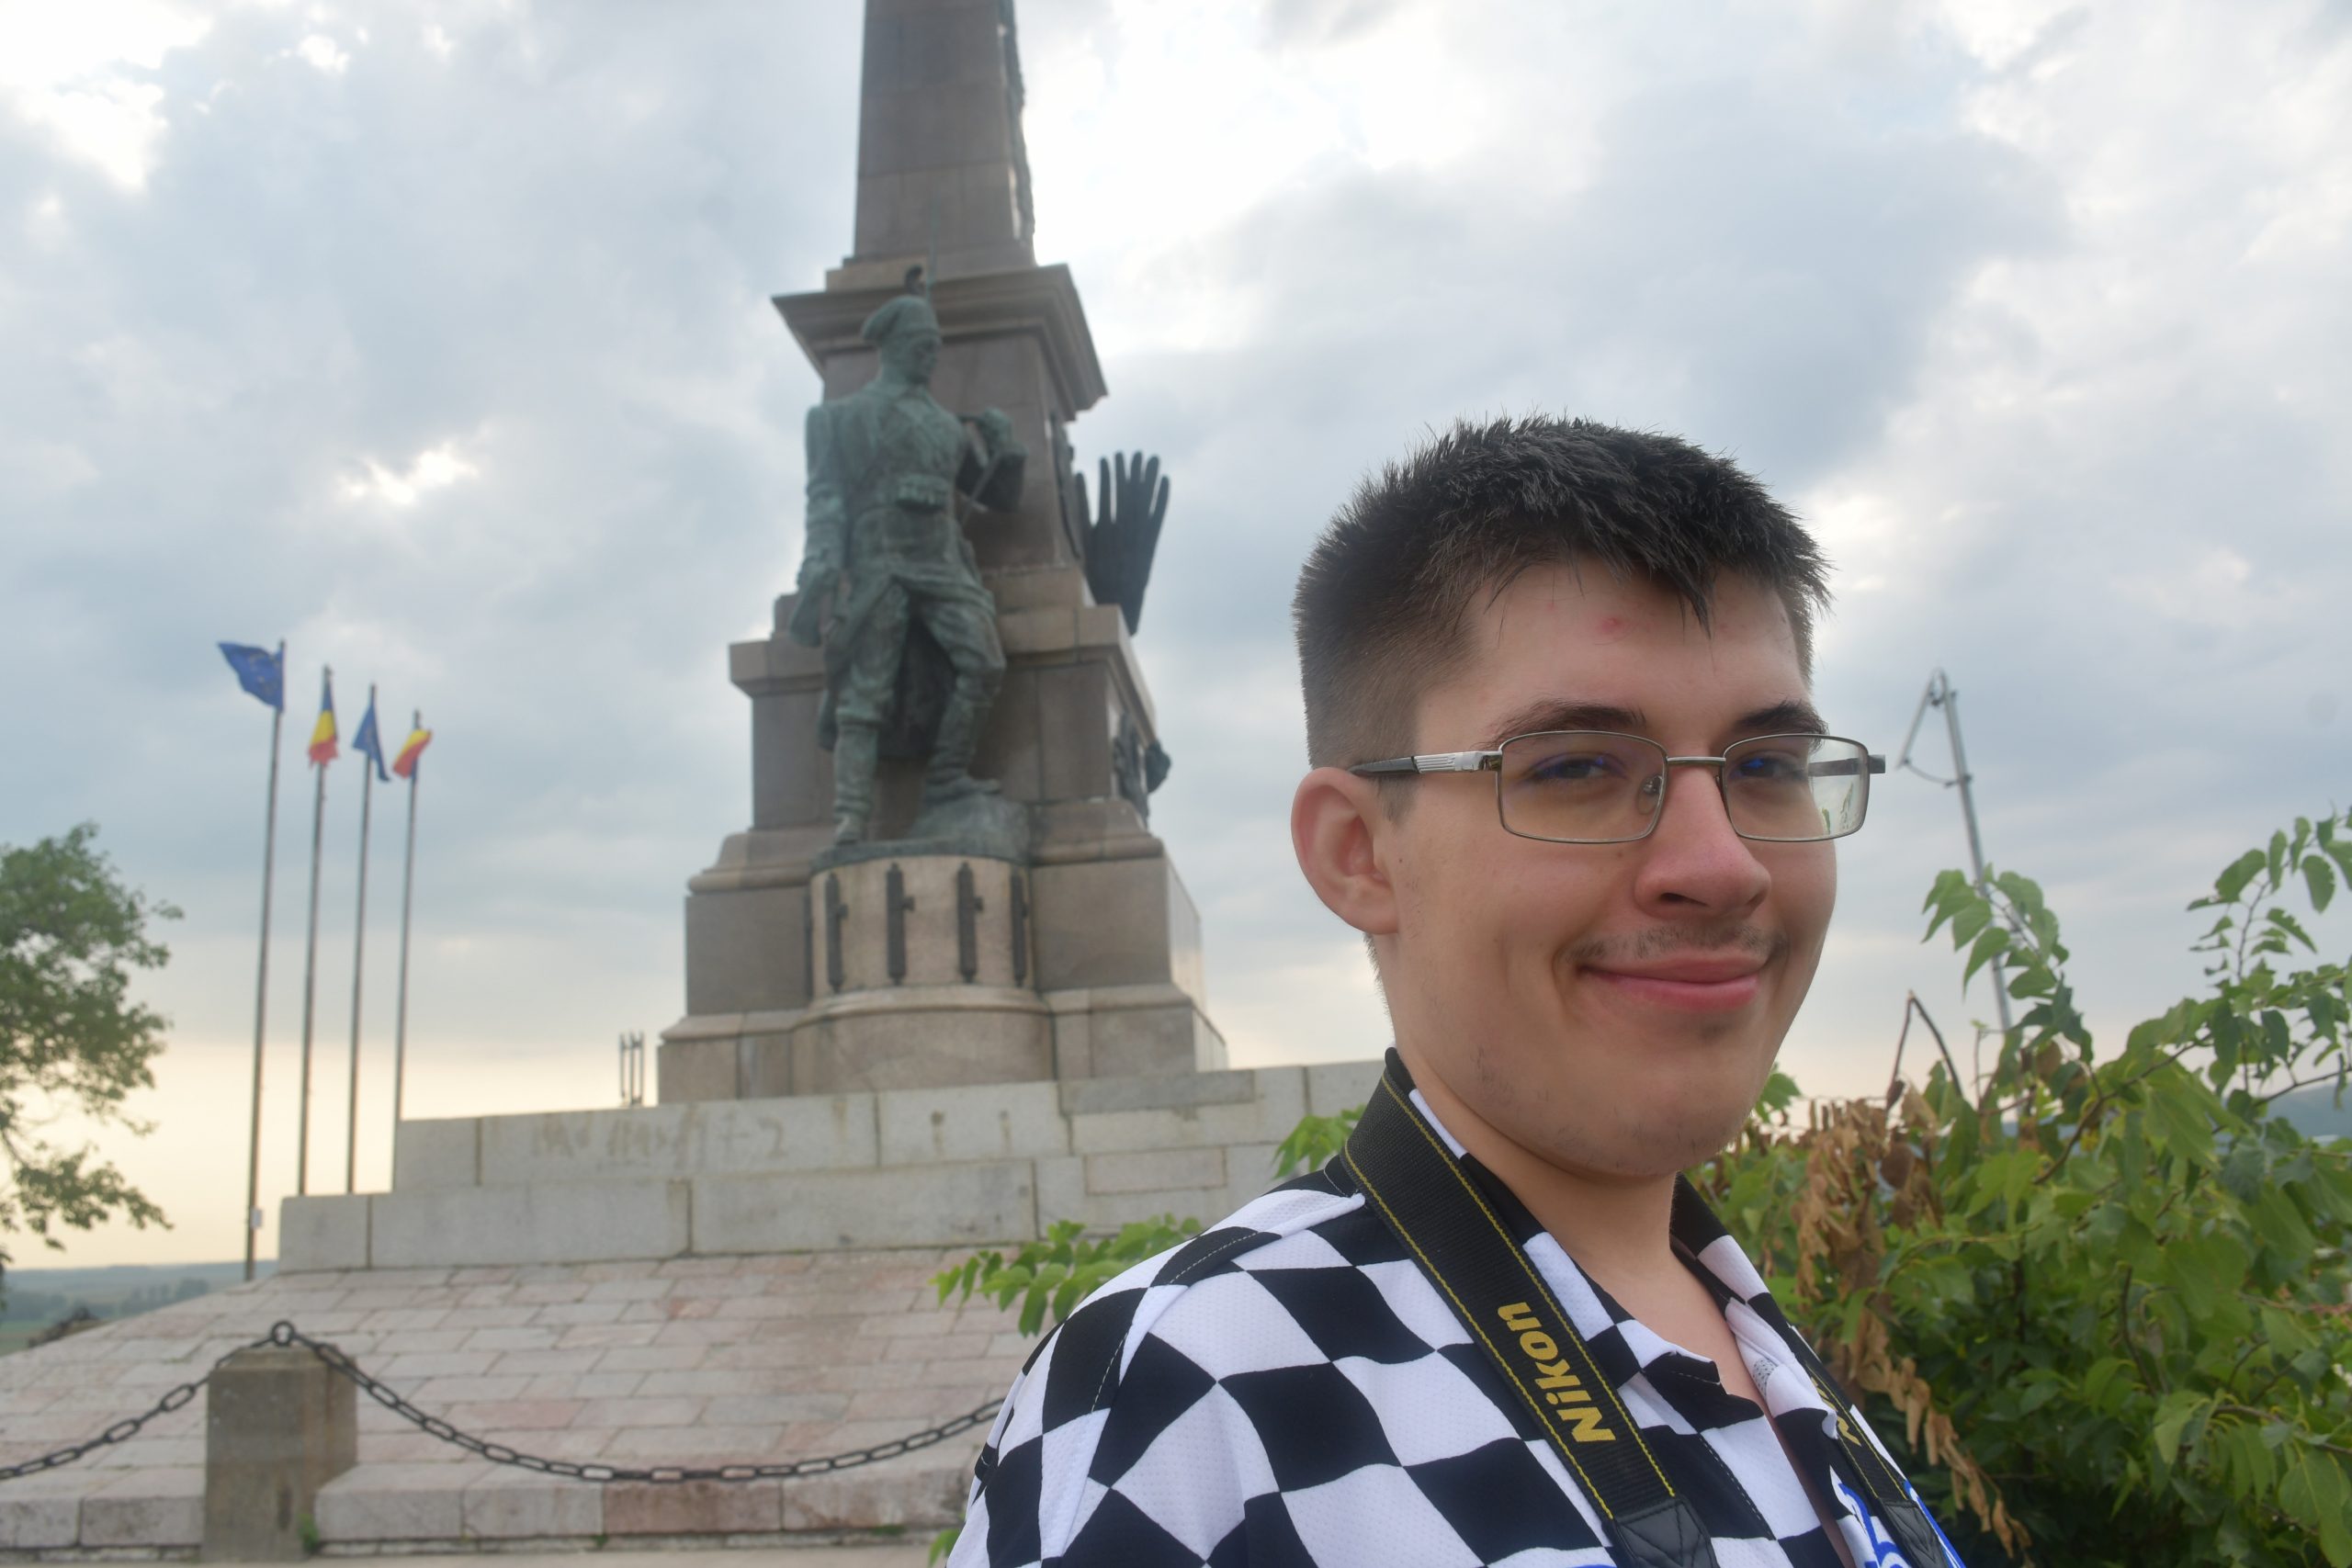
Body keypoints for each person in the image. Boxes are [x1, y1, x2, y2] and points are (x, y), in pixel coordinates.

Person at [947, 416, 1966, 1567]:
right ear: (1359, 854)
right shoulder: (1194, 1405)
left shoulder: (1748, 1334)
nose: (1721, 864)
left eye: (1767, 767)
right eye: (1575, 767)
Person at [790, 291, 1025, 845]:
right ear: (892, 346)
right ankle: (851, 816)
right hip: (879, 562)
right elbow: (825, 500)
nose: (933, 355)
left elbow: (1002, 498)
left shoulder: (948, 427)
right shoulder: (840, 418)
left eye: (936, 346)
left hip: (942, 564)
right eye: (923, 344)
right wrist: (820, 563)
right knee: (863, 697)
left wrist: (1006, 448)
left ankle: (945, 778)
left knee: (985, 662)